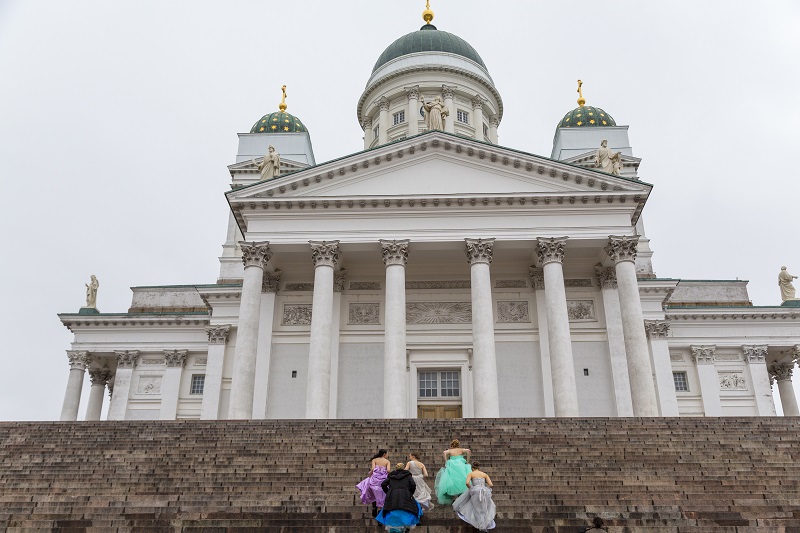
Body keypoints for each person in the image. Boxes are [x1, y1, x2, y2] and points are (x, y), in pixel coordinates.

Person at [376, 463, 423, 532]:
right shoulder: (407, 475)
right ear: (403, 468)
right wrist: (410, 492)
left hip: (393, 494)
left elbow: (383, 484)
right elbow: (413, 484)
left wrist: (388, 492)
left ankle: (391, 524)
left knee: (391, 508)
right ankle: (408, 525)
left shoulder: (391, 476)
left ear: (396, 468)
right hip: (405, 493)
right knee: (409, 508)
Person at [452, 461, 496, 531]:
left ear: (472, 468)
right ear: (479, 467)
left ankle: (478, 524)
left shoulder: (471, 474)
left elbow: (467, 483)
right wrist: (485, 488)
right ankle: (483, 524)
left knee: (476, 507)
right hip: (484, 491)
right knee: (484, 507)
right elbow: (491, 484)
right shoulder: (484, 474)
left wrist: (471, 488)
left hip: (475, 490)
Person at [434, 439, 471, 505]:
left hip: (452, 465)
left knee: (451, 479)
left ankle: (452, 495)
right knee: (462, 478)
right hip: (461, 465)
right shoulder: (461, 450)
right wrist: (467, 461)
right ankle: (461, 495)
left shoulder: (450, 451)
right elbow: (468, 451)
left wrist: (446, 461)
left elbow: (444, 452)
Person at [356, 449, 391, 517]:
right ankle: (380, 510)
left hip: (374, 479)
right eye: (387, 454)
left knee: (373, 493)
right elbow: (388, 470)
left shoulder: (374, 460)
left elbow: (372, 469)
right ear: (384, 454)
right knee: (381, 494)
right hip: (382, 479)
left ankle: (374, 507)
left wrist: (370, 475)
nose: (387, 455)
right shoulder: (387, 461)